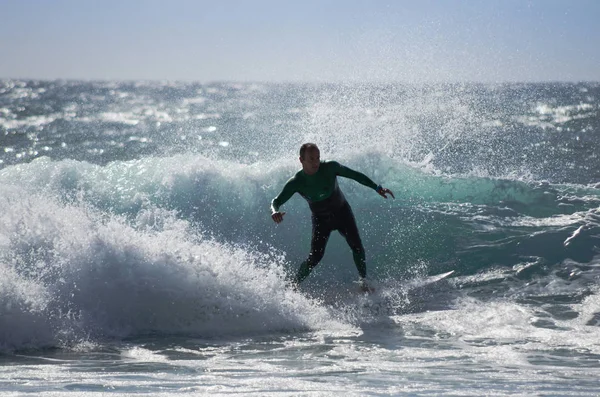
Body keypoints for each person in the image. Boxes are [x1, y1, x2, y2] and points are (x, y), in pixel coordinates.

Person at [270, 143, 395, 289]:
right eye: (311, 159)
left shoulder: (330, 167)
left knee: (358, 248)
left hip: (342, 213)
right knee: (314, 258)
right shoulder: (297, 182)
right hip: (321, 220)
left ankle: (364, 282)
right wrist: (274, 211)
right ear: (301, 160)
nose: (315, 162)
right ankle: (293, 285)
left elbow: (354, 175)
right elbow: (276, 201)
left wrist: (377, 187)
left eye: (317, 158)